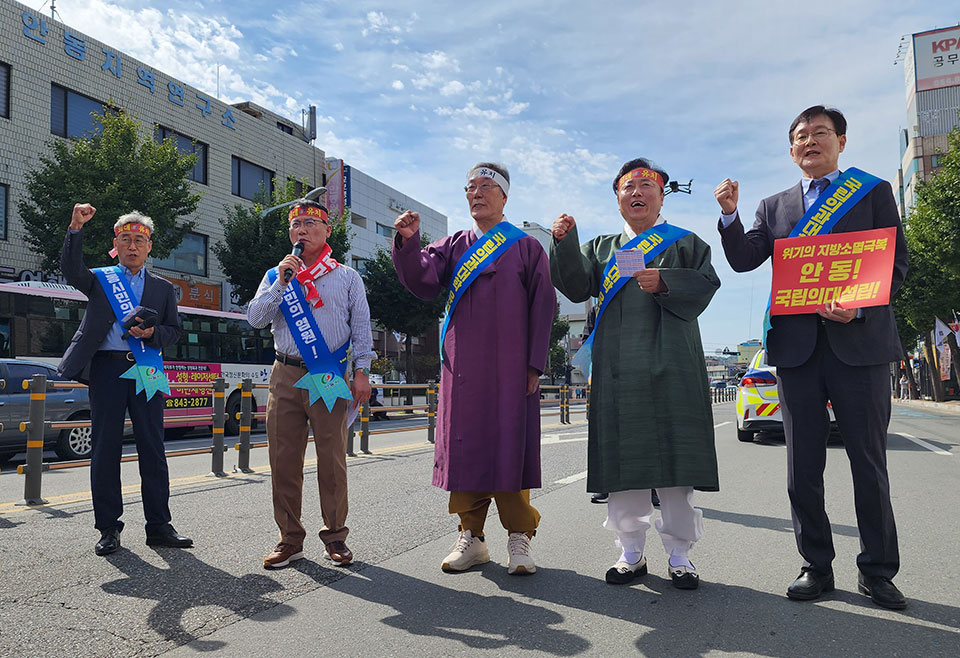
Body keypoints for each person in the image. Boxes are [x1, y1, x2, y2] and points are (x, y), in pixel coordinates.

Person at [714, 105, 909, 610]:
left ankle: (878, 570)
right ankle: (816, 566)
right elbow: (742, 259)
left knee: (868, 463)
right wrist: (730, 215)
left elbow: (896, 265)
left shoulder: (871, 192)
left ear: (841, 141)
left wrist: (859, 308)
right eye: (800, 136)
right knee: (803, 467)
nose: (810, 142)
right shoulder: (773, 206)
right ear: (791, 148)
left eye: (820, 133)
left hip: (859, 348)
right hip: (798, 353)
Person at [551, 158, 720, 589]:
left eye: (647, 185)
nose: (638, 192)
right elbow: (574, 285)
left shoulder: (685, 243)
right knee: (623, 467)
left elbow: (706, 283)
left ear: (662, 195)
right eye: (629, 187)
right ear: (618, 198)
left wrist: (665, 281)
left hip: (673, 364)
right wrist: (565, 243)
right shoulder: (603, 248)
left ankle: (680, 555)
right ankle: (630, 552)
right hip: (617, 370)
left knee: (675, 468)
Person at [392, 162, 556, 575]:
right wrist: (408, 242)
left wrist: (535, 363)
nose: (477, 193)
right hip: (461, 368)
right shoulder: (453, 244)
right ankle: (472, 536)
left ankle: (519, 538)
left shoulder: (526, 247)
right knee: (466, 447)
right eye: (471, 187)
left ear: (504, 196)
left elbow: (543, 305)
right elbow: (423, 281)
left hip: (511, 370)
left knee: (510, 448)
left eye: (486, 186)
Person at [247, 198, 374, 570]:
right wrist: (280, 286)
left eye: (310, 223)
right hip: (284, 372)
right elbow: (255, 318)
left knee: (331, 458)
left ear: (326, 231)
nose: (301, 230)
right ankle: (290, 538)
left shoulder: (347, 276)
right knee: (283, 459)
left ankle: (335, 536)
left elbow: (362, 328)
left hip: (330, 373)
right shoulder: (276, 275)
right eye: (296, 224)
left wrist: (363, 371)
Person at [59, 203, 191, 556]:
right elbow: (71, 269)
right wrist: (75, 228)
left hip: (147, 368)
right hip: (107, 368)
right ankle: (108, 528)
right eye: (125, 239)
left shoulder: (163, 288)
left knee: (153, 447)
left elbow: (174, 331)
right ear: (116, 244)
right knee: (105, 449)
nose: (132, 246)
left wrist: (151, 333)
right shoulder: (100, 278)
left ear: (149, 247)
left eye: (139, 240)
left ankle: (160, 526)